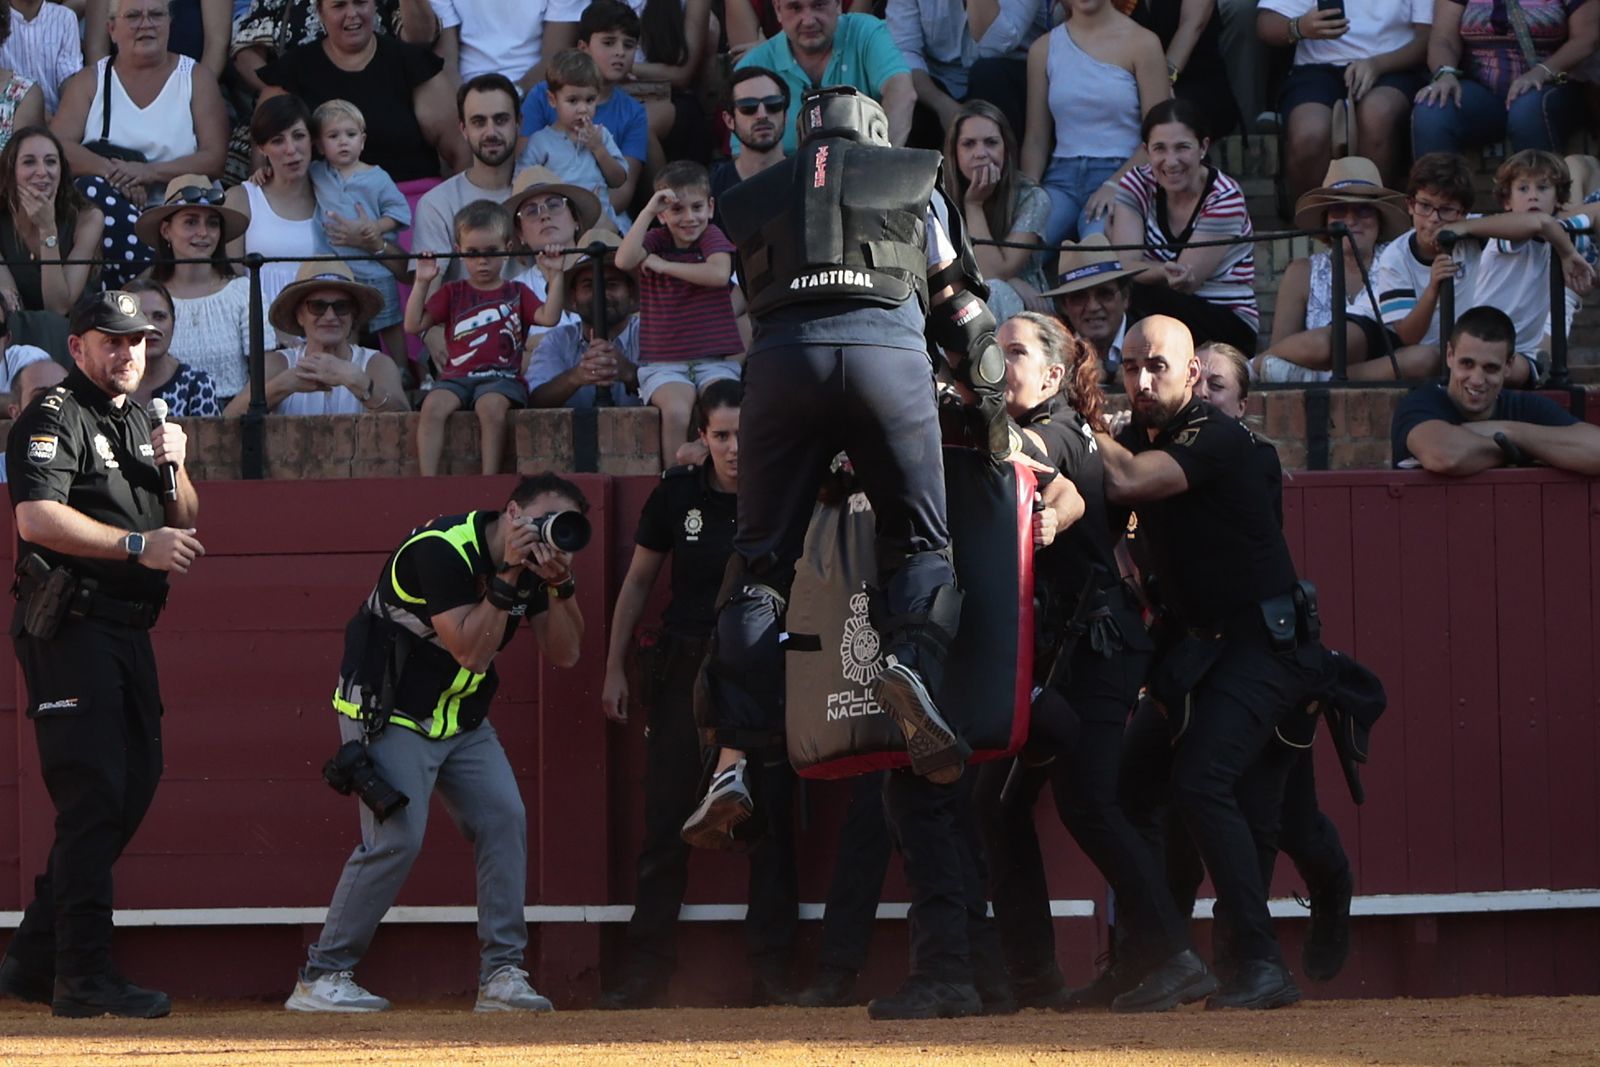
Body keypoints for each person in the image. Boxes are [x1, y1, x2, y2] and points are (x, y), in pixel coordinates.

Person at [682, 86, 1008, 1021]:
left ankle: (739, 752)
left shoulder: (759, 190)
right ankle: (912, 665)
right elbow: (968, 319)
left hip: (780, 367)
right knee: (923, 543)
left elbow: (755, 302)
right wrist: (988, 426)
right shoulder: (917, 180)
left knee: (760, 565)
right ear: (879, 135)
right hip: (887, 359)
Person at [978, 311, 1213, 1014]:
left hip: (1095, 652)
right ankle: (1035, 976)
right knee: (997, 801)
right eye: (994, 350)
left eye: (1013, 352)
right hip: (1060, 657)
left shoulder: (1051, 431)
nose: (1000, 361)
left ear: (1052, 375)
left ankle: (1171, 955)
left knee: (1085, 800)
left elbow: (1059, 484)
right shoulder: (1065, 430)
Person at [284, 472, 587, 1014]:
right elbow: (470, 650)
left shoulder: (537, 570)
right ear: (512, 513)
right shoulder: (442, 550)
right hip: (389, 712)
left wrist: (559, 584)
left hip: (460, 719)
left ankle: (501, 976)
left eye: (558, 527)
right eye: (539, 520)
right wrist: (511, 575)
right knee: (397, 837)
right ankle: (321, 976)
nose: (545, 534)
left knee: (504, 819)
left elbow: (565, 655)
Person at [1095, 314, 1327, 1011]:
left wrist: (1076, 428)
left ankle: (1260, 963)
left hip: (1264, 649)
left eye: (1157, 366)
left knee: (1212, 786)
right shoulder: (1132, 434)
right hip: (1195, 651)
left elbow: (1131, 481)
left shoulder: (1220, 436)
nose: (1140, 380)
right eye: (1130, 367)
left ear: (1193, 372)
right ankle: (1155, 959)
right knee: (1128, 792)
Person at [0, 289, 203, 1018]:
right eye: (111, 341)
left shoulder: (143, 418)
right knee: (93, 796)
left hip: (125, 627)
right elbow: (36, 516)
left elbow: (185, 518)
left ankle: (31, 957)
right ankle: (81, 975)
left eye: (137, 341)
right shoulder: (54, 415)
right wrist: (134, 544)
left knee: (133, 784)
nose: (127, 354)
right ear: (77, 346)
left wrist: (178, 467)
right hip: (73, 622)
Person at [597, 380, 799, 1008]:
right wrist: (613, 667)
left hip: (769, 673)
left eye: (746, 434)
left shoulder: (791, 491)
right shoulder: (677, 494)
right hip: (687, 673)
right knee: (665, 823)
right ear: (702, 438)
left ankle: (772, 969)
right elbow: (636, 585)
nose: (736, 448)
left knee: (771, 823)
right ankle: (647, 971)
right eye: (722, 436)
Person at [408, 200, 553, 475]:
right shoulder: (453, 292)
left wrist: (555, 277)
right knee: (432, 405)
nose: (482, 261)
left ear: (507, 250)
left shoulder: (517, 291)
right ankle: (427, 481)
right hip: (457, 376)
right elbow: (413, 324)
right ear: (458, 252)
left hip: (503, 377)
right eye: (472, 253)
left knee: (491, 406)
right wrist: (422, 281)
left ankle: (490, 479)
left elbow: (549, 317)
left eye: (491, 252)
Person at [615, 161, 743, 466]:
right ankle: (676, 481)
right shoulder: (655, 240)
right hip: (665, 364)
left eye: (697, 207)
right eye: (677, 210)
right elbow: (623, 260)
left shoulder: (712, 237)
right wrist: (646, 212)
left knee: (725, 410)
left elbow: (718, 274)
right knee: (676, 411)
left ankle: (723, 474)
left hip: (714, 362)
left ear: (710, 208)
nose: (689, 218)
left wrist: (663, 266)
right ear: (662, 214)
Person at [1108, 98, 1259, 355]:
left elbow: (1185, 281)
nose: (1171, 161)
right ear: (1146, 151)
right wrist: (1157, 271)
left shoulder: (1225, 196)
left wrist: (1145, 270)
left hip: (1226, 323)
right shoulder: (1135, 183)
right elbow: (1124, 265)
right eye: (1160, 149)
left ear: (1203, 147)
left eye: (1182, 148)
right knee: (1106, 293)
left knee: (1132, 294)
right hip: (1156, 308)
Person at [1435, 149, 1598, 388]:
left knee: (1517, 370)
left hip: (1523, 352)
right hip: (1480, 340)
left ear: (1559, 198)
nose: (1533, 197)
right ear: (1507, 201)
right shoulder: (1506, 230)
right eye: (1523, 189)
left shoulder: (1560, 227)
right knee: (1492, 366)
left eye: (1543, 188)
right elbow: (1538, 223)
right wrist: (1568, 253)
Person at [256, 0, 466, 182]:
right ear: (320, 11)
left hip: (410, 207)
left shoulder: (412, 65)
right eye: (339, 5)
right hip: (323, 210)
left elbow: (460, 152)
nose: (352, 14)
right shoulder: (292, 72)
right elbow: (263, 154)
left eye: (360, 2)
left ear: (373, 5)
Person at [1021, 0, 1170, 247]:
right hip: (1060, 178)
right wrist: (1028, 195)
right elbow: (1036, 138)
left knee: (1098, 252)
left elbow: (1160, 136)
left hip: (1123, 170)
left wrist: (1117, 183)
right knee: (1021, 251)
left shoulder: (1144, 43)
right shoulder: (1042, 49)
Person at [1254, 156, 1415, 382]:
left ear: (1380, 219)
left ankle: (1327, 378)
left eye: (1363, 210)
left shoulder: (1400, 261)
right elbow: (1277, 359)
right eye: (1339, 209)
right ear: (1326, 220)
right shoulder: (1302, 272)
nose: (1350, 220)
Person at [50, 0, 228, 205]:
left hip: (180, 210)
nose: (146, 24)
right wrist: (116, 174)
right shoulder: (89, 81)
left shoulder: (197, 77)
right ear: (112, 29)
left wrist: (149, 172)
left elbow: (214, 159)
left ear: (169, 23)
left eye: (156, 15)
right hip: (111, 208)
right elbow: (57, 147)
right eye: (133, 16)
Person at [1392, 304, 1600, 475]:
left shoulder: (1524, 406)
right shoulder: (1420, 403)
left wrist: (1510, 432)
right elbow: (1444, 456)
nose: (1476, 379)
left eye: (1490, 368)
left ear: (1508, 366)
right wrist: (1530, 450)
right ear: (1449, 355)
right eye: (1467, 364)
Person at [1256, 0, 1429, 203]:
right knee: (1308, 135)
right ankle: (1313, 229)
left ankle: (1374, 222)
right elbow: (1267, 24)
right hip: (1317, 67)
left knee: (1377, 115)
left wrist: (1377, 65)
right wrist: (1299, 27)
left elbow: (1427, 38)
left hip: (1394, 65)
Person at [135, 174, 268, 403]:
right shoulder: (147, 299)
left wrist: (227, 417)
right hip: (162, 417)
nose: (203, 232)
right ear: (166, 231)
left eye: (212, 223)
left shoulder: (243, 292)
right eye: (191, 222)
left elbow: (266, 369)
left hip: (235, 420)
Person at [1412, 0, 1598, 159]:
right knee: (1434, 106)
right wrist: (1445, 73)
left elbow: (1586, 38)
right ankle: (1438, 197)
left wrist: (1540, 72)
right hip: (1482, 91)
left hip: (1551, 84)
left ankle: (1540, 196)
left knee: (1527, 109)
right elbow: (1443, 39)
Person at [517, 0, 649, 224]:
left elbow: (623, 190)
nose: (619, 52)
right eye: (608, 42)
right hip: (549, 218)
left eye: (628, 46)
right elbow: (524, 174)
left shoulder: (633, 113)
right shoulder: (543, 94)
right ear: (583, 48)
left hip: (604, 217)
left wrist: (587, 219)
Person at [223, 260, 409, 416]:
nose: (330, 316)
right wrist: (283, 385)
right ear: (299, 315)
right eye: (317, 306)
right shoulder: (279, 363)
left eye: (341, 306)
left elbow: (405, 420)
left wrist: (359, 383)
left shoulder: (376, 363)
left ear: (353, 315)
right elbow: (228, 419)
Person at [306, 98, 412, 367]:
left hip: (375, 268)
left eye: (350, 135)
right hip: (340, 271)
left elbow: (401, 213)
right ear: (318, 145)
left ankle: (402, 370)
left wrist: (375, 228)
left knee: (389, 323)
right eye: (333, 136)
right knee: (346, 327)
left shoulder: (377, 177)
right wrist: (264, 172)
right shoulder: (317, 173)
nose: (343, 142)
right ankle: (349, 374)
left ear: (362, 141)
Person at [735, 0, 915, 154]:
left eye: (819, 5)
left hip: (864, 174)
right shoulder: (754, 65)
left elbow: (902, 92)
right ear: (777, 9)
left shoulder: (866, 32)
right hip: (786, 183)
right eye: (795, 7)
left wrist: (878, 162)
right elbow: (744, 158)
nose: (808, 21)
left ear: (838, 4)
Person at [221, 95, 335, 332]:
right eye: (277, 140)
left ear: (312, 140)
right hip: (260, 332)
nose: (291, 150)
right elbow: (232, 279)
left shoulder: (333, 193)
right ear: (262, 148)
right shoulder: (242, 197)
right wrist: (272, 332)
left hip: (326, 327)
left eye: (298, 136)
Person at [944, 99, 1050, 322]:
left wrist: (974, 205)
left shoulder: (1032, 197)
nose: (980, 153)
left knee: (996, 290)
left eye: (991, 142)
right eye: (969, 144)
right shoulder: (939, 198)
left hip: (1025, 304)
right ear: (954, 152)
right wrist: (1010, 279)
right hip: (963, 295)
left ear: (1006, 150)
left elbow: (994, 274)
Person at [1374, 151, 1479, 364]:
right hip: (1425, 357)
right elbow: (1407, 336)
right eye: (1425, 206)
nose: (1433, 219)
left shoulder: (1477, 233)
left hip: (1471, 352)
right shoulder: (1394, 258)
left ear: (1463, 213)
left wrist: (1465, 228)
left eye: (1446, 210)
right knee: (1424, 359)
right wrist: (1433, 288)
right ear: (1410, 205)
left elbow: (1525, 224)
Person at [526, 227, 642, 408]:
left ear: (632, 293)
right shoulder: (556, 341)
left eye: (611, 284)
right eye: (589, 286)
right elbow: (534, 401)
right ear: (573, 297)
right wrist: (577, 376)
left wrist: (629, 373)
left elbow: (674, 391)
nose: (601, 294)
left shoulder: (652, 334)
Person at [518, 49, 628, 230]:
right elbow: (522, 184)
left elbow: (618, 179)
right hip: (559, 228)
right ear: (552, 100)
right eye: (573, 101)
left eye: (590, 100)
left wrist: (598, 149)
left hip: (600, 226)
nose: (583, 109)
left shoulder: (601, 136)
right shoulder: (541, 142)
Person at [503, 164, 597, 350]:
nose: (545, 215)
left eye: (554, 205)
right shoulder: (513, 291)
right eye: (531, 211)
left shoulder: (605, 270)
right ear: (520, 234)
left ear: (576, 219)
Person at [1133, 0, 1240, 140]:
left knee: (1174, 116)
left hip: (1194, 81)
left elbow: (1193, 24)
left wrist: (1163, 83)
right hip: (1131, 81)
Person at [1042, 234, 1143, 382]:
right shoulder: (1051, 353)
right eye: (1079, 297)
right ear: (1064, 306)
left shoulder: (1150, 340)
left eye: (1104, 294)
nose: (1093, 306)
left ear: (1125, 297)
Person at [433, 0, 585, 91]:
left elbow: (556, 58)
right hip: (465, 90)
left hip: (537, 91)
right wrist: (467, 101)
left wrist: (513, 96)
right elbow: (445, 60)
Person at [125, 278, 224, 416]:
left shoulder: (197, 386)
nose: (151, 327)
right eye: (139, 317)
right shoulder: (109, 384)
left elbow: (209, 438)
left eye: (159, 317)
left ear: (173, 322)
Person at [709, 65, 789, 211]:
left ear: (785, 115)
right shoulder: (712, 190)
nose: (762, 115)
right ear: (729, 120)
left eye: (773, 104)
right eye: (748, 107)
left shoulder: (810, 181)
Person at [1, 0, 80, 117]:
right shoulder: (1, 20)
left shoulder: (65, 18)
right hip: (9, 118)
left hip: (55, 121)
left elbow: (69, 82)